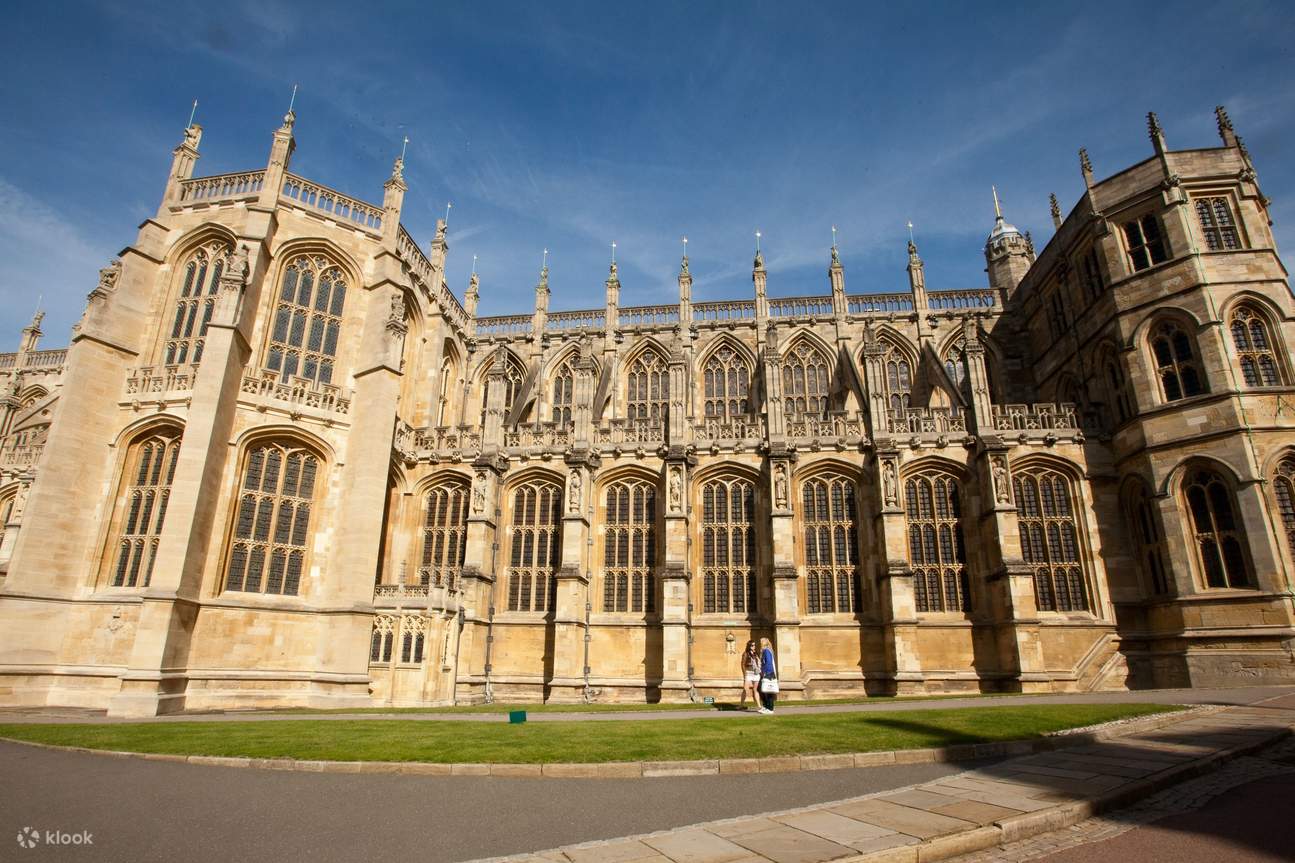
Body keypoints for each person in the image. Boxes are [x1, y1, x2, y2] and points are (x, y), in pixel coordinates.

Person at [758, 637, 778, 714]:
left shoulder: (766, 651)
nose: (760, 644)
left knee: (769, 690)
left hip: (768, 673)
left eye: (761, 642)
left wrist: (765, 672)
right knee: (765, 690)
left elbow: (768, 663)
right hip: (768, 673)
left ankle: (770, 708)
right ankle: (766, 706)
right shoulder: (766, 651)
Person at [739, 640, 761, 710]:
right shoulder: (745, 653)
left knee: (755, 690)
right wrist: (744, 674)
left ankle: (759, 706)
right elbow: (742, 664)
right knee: (745, 689)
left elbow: (759, 663)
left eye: (754, 645)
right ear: (749, 646)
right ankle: (741, 705)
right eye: (752, 645)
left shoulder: (756, 654)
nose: (754, 647)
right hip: (748, 673)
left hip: (755, 673)